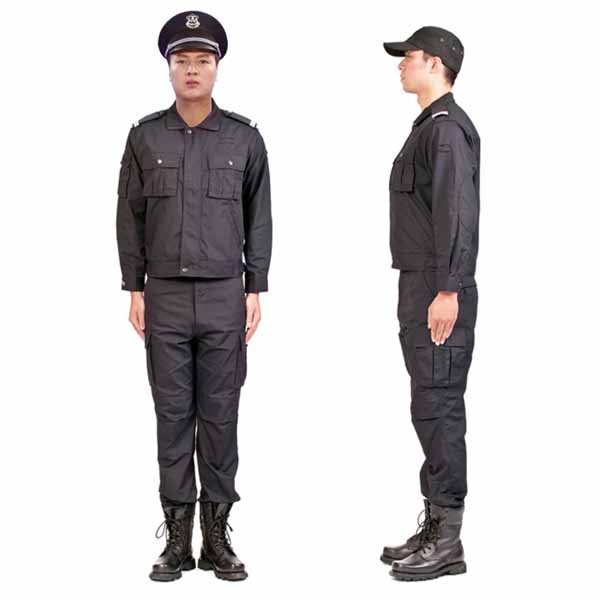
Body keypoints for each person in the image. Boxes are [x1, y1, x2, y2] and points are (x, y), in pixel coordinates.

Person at [116, 10, 272, 582]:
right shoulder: (144, 137)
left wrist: (256, 287)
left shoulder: (244, 138)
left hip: (226, 296)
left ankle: (218, 538)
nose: (191, 70)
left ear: (216, 68)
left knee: (222, 417)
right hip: (166, 298)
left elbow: (260, 218)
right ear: (168, 68)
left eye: (202, 61)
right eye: (181, 60)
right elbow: (130, 216)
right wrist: (134, 287)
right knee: (173, 416)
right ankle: (177, 540)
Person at [379, 26, 480, 581]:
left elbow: (456, 212)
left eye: (409, 57)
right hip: (421, 284)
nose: (401, 65)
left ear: (436, 64)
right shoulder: (429, 128)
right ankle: (436, 525)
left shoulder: (444, 131)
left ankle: (447, 540)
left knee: (439, 408)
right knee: (428, 406)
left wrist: (448, 289)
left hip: (438, 289)